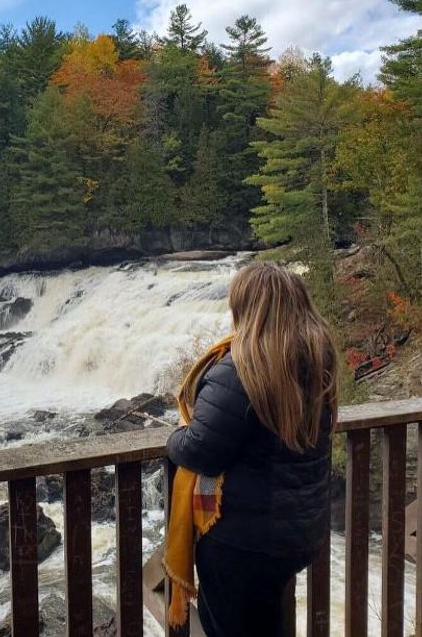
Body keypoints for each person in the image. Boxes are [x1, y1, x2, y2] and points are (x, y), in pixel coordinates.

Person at [165, 262, 337, 637]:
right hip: (298, 531)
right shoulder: (315, 360)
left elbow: (200, 450)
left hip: (241, 541)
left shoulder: (241, 368)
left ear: (247, 307)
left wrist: (175, 434)